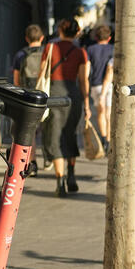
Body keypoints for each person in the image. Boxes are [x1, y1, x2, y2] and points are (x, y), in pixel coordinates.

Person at [38, 18, 89, 197]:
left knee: (54, 137)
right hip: (72, 95)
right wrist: (87, 105)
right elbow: (83, 81)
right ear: (76, 33)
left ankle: (60, 181)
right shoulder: (80, 52)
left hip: (53, 93)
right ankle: (72, 174)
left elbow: (42, 73)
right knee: (70, 134)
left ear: (60, 31)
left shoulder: (50, 48)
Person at [11, 24, 46, 175]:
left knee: (29, 130)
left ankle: (32, 163)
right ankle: (50, 156)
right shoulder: (47, 53)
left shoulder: (20, 55)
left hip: (28, 95)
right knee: (47, 127)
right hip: (45, 92)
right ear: (42, 38)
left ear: (26, 38)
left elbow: (16, 79)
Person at [84, 24, 114, 148]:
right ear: (109, 37)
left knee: (100, 113)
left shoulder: (90, 50)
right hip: (110, 84)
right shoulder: (113, 49)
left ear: (96, 37)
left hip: (96, 85)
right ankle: (109, 138)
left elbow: (86, 71)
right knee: (109, 113)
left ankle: (104, 140)